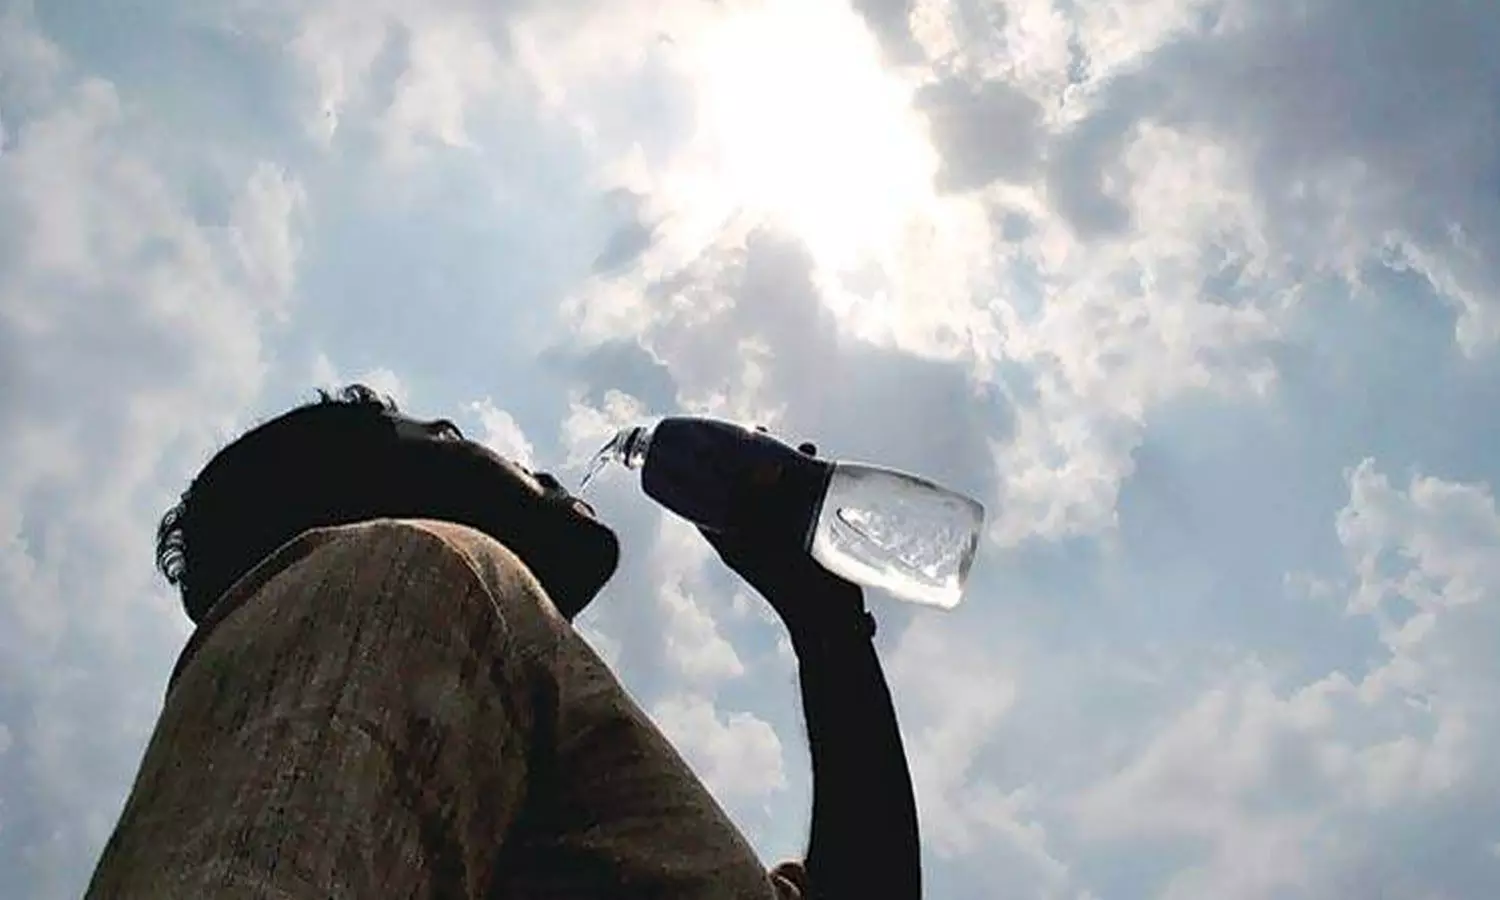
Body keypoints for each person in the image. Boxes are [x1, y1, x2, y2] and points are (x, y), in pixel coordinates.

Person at [86, 385, 921, 899]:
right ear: (378, 493)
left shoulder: (550, 755)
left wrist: (826, 627)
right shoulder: (399, 564)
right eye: (448, 435)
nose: (531, 466)